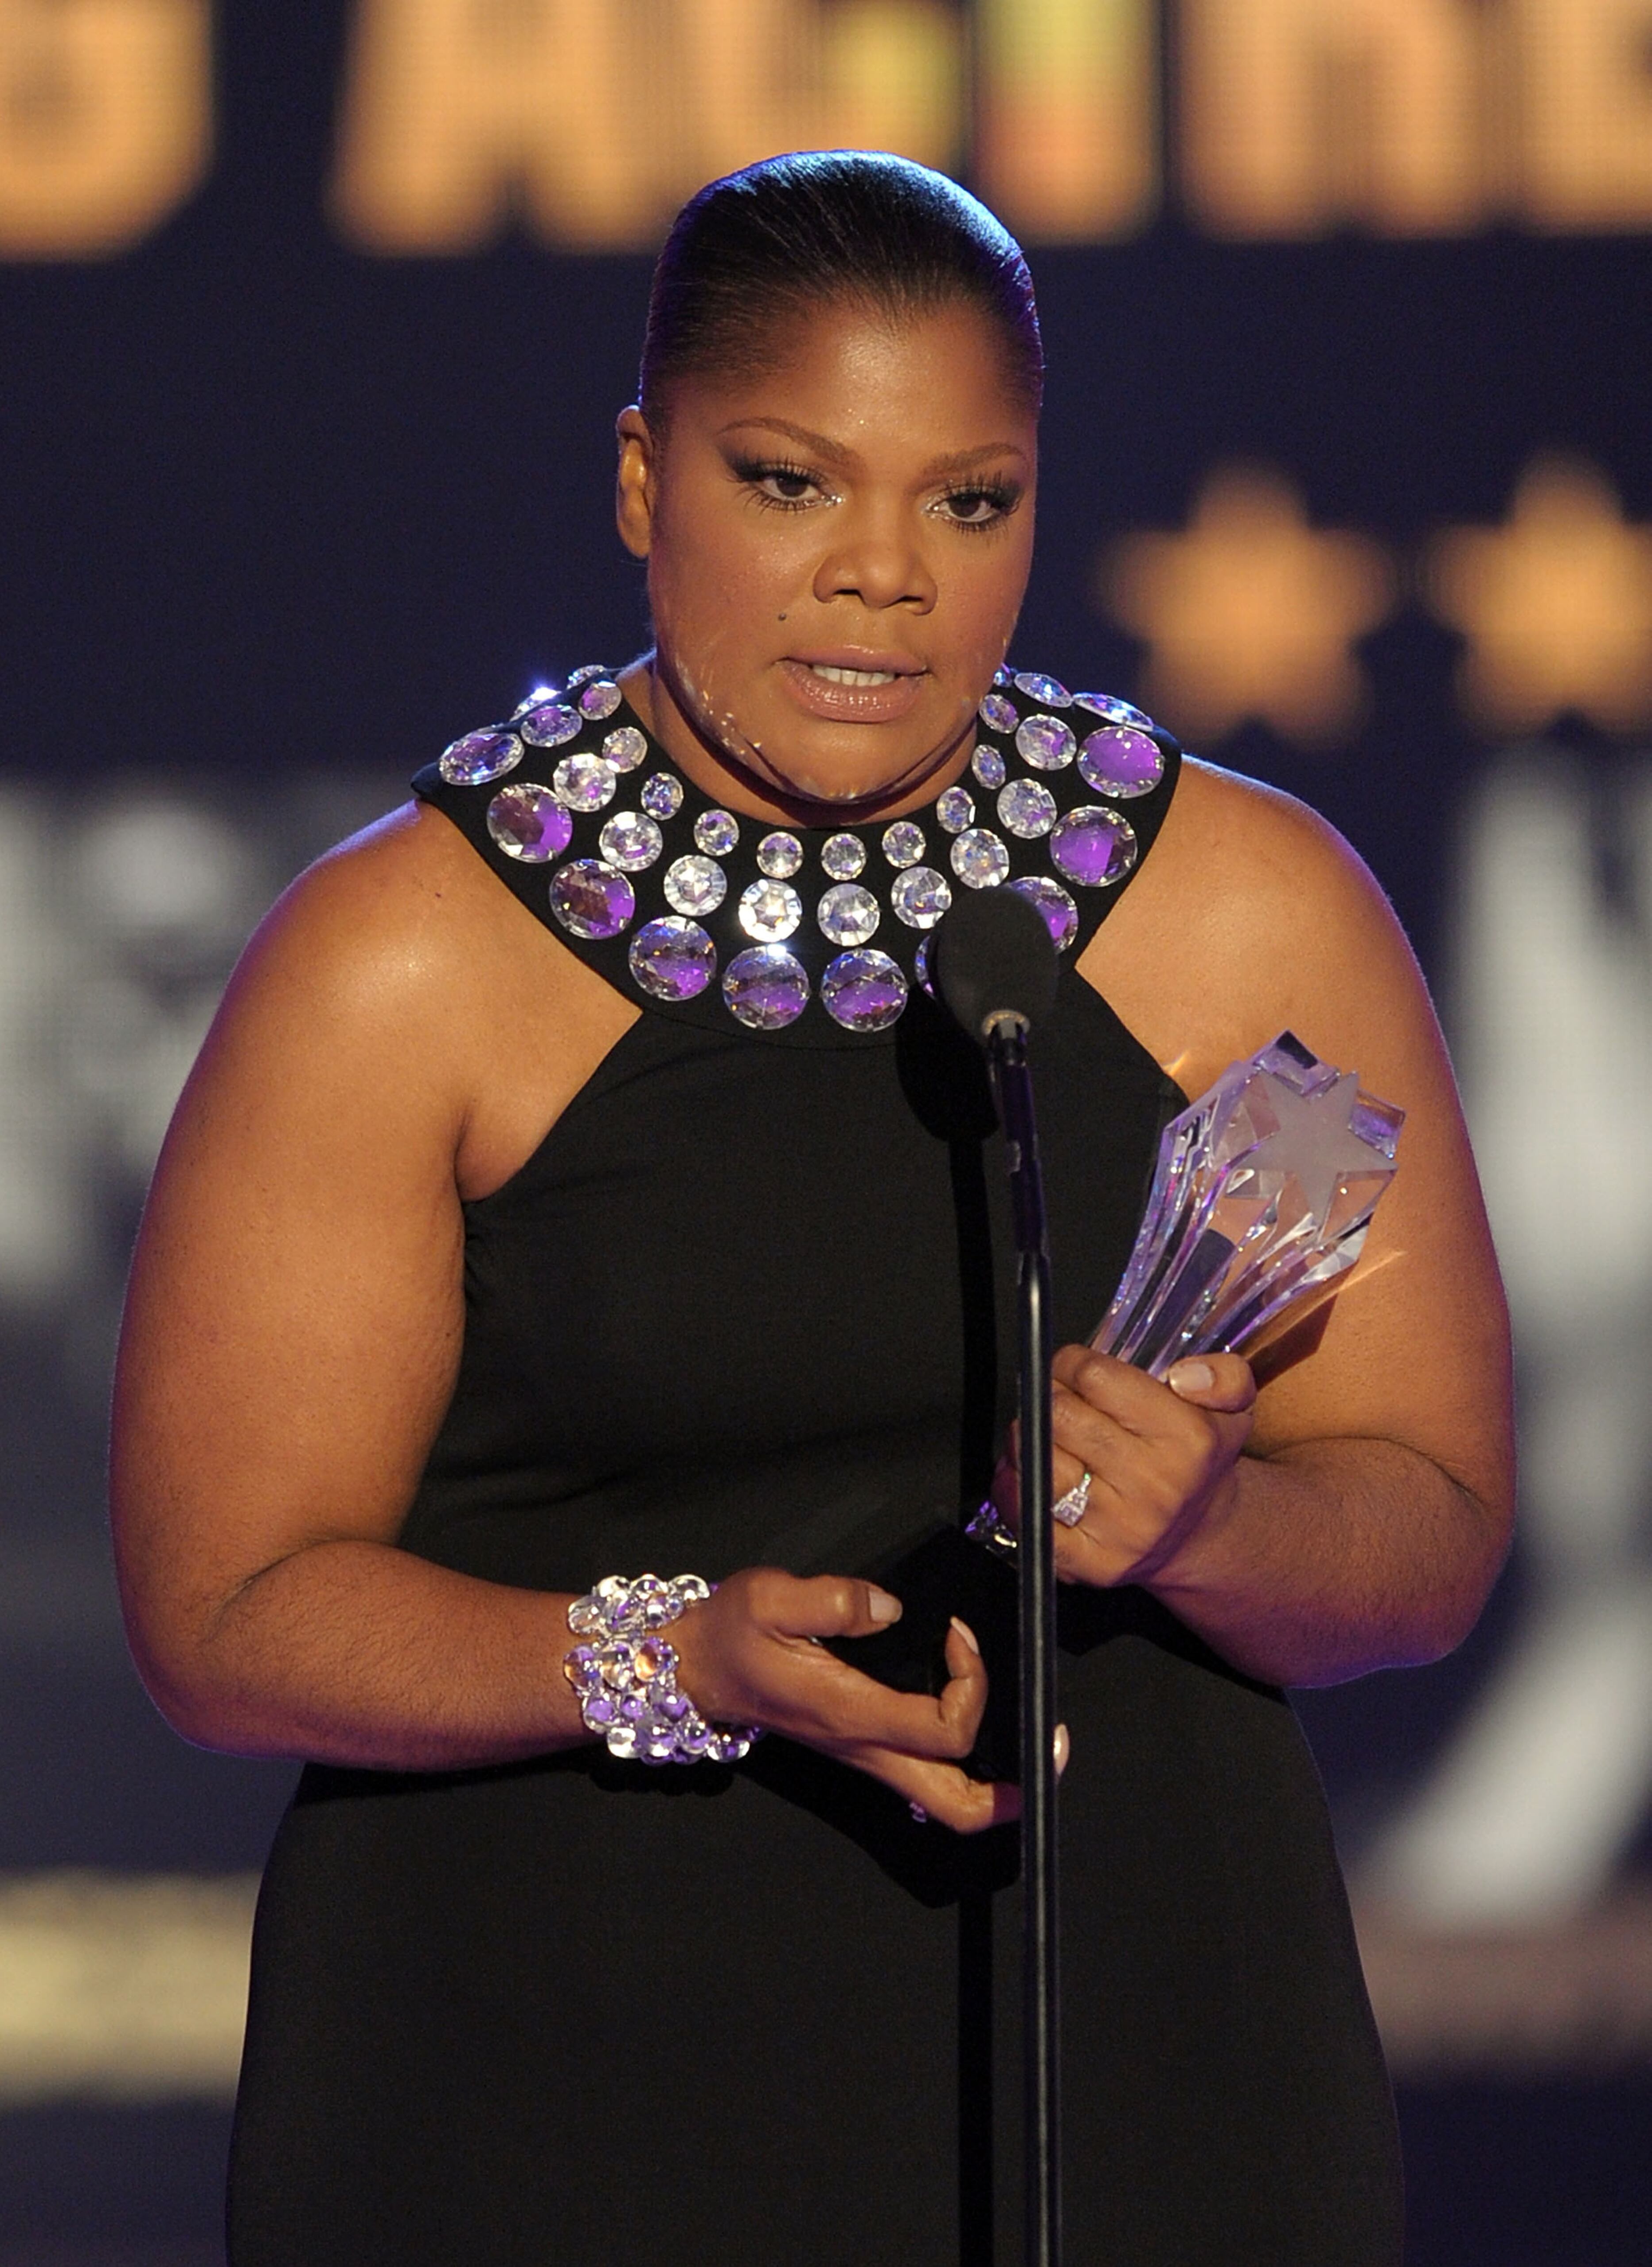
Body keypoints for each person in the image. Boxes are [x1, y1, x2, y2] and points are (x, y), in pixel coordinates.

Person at [111, 152, 1512, 2265]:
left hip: (1134, 2072)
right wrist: (670, 1658)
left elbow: (1429, 1534)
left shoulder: (1258, 916)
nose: (883, 577)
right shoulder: (395, 965)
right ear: (641, 479)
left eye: (970, 500)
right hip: (545, 2087)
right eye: (788, 482)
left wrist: (1217, 1526)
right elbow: (225, 1618)